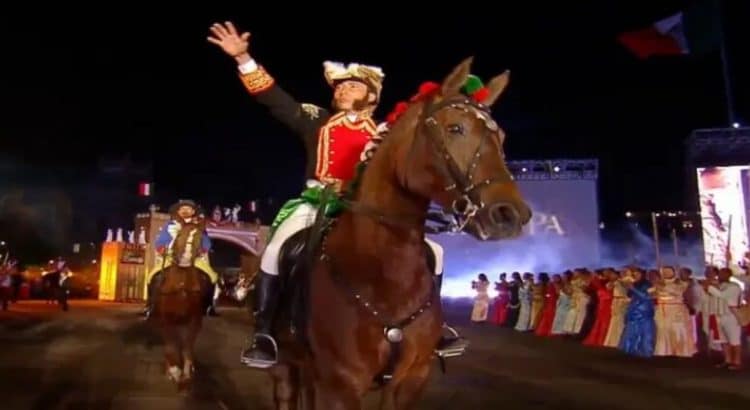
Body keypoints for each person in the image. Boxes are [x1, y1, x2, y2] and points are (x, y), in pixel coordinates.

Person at [207, 21, 459, 369]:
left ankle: (436, 326)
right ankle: (264, 331)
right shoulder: (318, 121)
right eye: (339, 87)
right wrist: (244, 58)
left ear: (371, 96)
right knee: (277, 248)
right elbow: (275, 99)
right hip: (319, 203)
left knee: (435, 251)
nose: (341, 91)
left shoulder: (388, 132)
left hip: (368, 210)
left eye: (352, 86)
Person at [142, 200, 220, 318]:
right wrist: (162, 249)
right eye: (182, 209)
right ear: (178, 211)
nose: (185, 211)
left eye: (188, 209)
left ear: (193, 211)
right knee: (151, 277)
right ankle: (150, 305)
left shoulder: (199, 226)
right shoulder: (170, 225)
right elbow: (160, 241)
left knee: (213, 277)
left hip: (194, 259)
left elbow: (206, 242)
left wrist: (201, 250)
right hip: (171, 257)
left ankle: (209, 306)